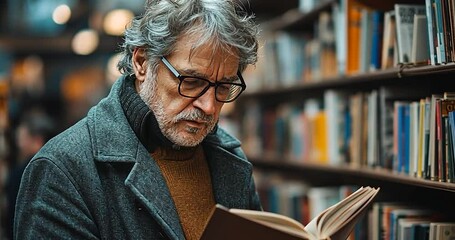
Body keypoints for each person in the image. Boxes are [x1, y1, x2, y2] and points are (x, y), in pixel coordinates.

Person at [14, 0, 262, 239]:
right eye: (192, 81)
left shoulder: (230, 156)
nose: (208, 106)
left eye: (223, 87)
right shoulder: (61, 170)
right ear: (142, 62)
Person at [4, 111, 55, 240]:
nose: (19, 144)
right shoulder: (62, 167)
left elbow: (13, 217)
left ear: (37, 140)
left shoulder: (22, 172)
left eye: (22, 138)